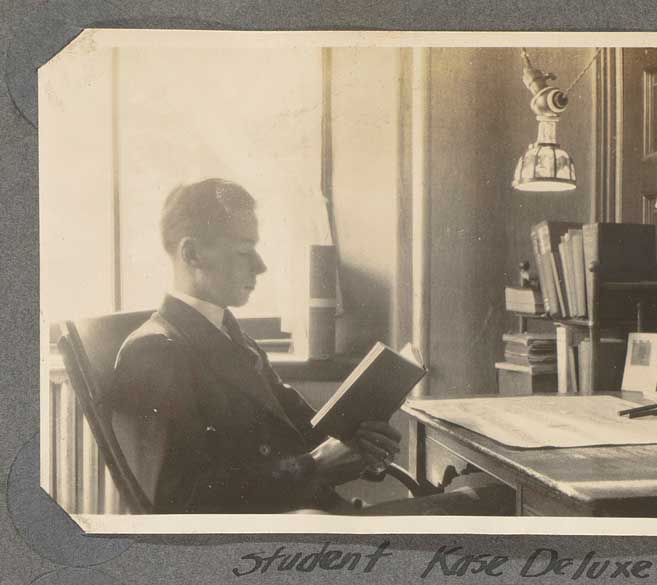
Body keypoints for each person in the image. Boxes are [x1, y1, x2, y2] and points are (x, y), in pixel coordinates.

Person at [109, 178, 510, 515]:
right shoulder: (154, 352)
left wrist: (358, 446)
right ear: (192, 253)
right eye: (244, 251)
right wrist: (319, 466)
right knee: (496, 505)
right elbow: (175, 506)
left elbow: (304, 432)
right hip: (278, 548)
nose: (261, 266)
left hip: (309, 519)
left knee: (495, 501)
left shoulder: (227, 332)